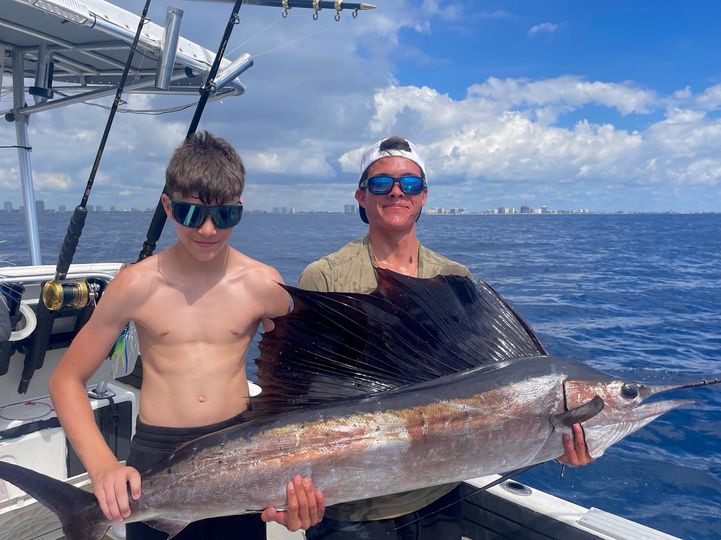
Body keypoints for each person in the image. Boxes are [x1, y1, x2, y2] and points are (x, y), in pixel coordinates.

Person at [299, 135, 593, 539]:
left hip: (437, 495)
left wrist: (556, 444)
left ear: (424, 197)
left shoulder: (455, 278)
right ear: (361, 196)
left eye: (410, 184)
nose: (397, 191)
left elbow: (485, 398)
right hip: (351, 503)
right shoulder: (326, 276)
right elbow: (306, 397)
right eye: (382, 184)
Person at [49, 132, 324, 540]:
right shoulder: (135, 285)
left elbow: (303, 383)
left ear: (239, 210)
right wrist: (103, 465)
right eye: (192, 214)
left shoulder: (264, 284)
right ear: (168, 207)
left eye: (225, 216)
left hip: (240, 452)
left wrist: (296, 483)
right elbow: (65, 379)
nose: (209, 230)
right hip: (157, 457)